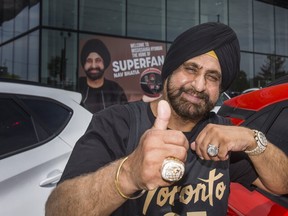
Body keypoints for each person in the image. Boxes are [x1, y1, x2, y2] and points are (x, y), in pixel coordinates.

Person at [46, 22, 288, 216]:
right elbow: (58, 210)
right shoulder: (117, 123)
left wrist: (252, 139)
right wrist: (129, 173)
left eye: (213, 77)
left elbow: (281, 185)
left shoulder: (221, 135)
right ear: (169, 71)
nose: (199, 85)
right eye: (190, 69)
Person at [79, 38, 128, 113]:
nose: (94, 65)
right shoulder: (76, 87)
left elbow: (124, 115)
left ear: (104, 63)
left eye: (98, 60)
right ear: (84, 64)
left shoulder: (115, 90)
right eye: (89, 61)